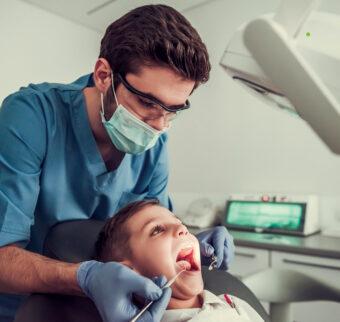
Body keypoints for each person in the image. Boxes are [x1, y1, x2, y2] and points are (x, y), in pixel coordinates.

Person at [0, 4, 234, 322]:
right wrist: (86, 278)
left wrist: (184, 237)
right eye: (148, 103)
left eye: (173, 110)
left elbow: (149, 230)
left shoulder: (154, 143)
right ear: (104, 75)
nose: (160, 125)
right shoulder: (32, 117)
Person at [93, 199, 263, 322]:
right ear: (126, 274)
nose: (182, 228)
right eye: (157, 230)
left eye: (179, 222)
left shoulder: (232, 302)